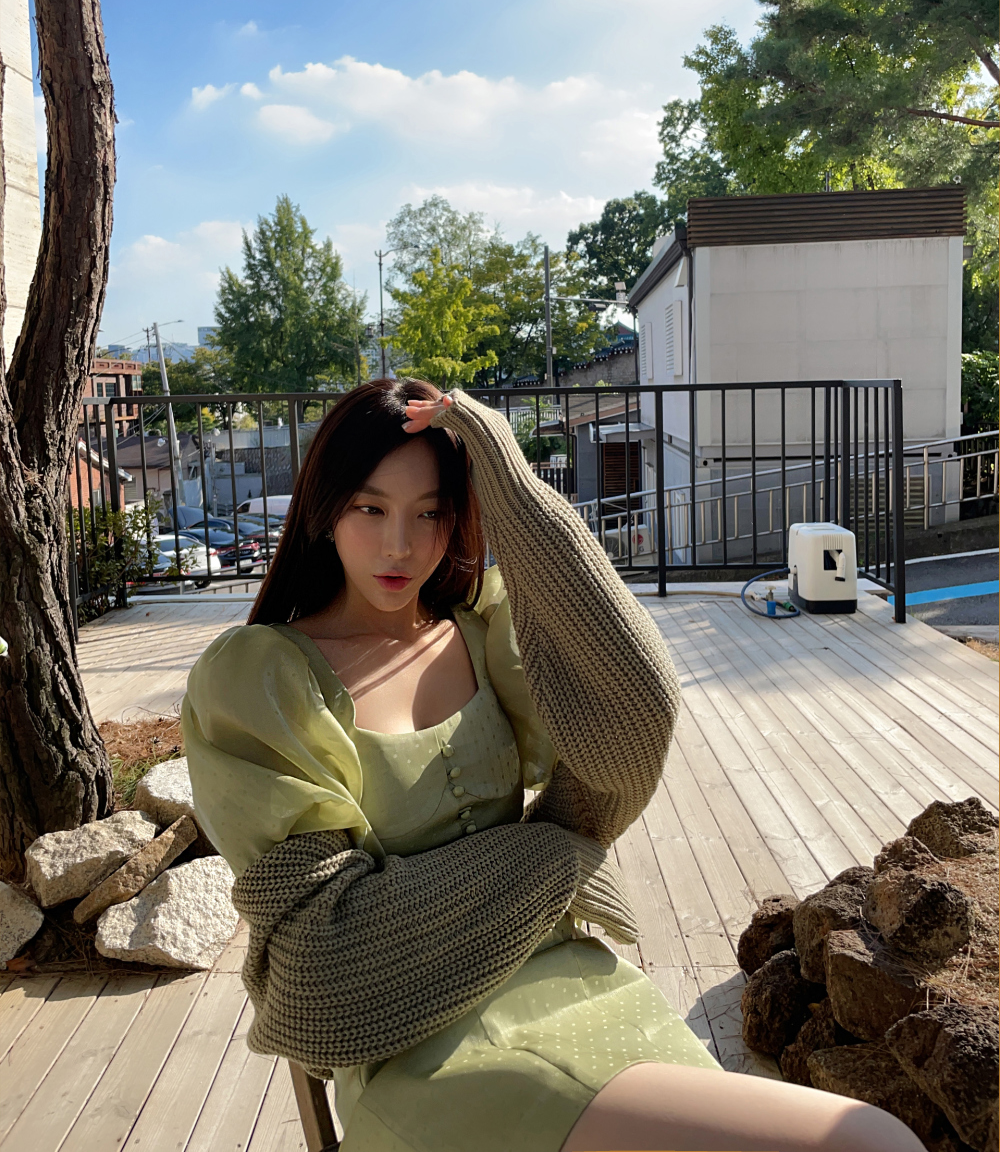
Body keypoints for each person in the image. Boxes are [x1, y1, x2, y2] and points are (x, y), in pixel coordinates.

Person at [181, 379, 924, 1152]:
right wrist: (554, 854)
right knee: (869, 1142)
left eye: (430, 512)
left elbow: (635, 718)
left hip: (576, 980)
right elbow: (328, 959)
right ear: (325, 507)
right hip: (420, 1052)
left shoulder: (483, 634)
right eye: (370, 508)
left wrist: (506, 473)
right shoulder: (263, 680)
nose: (400, 544)